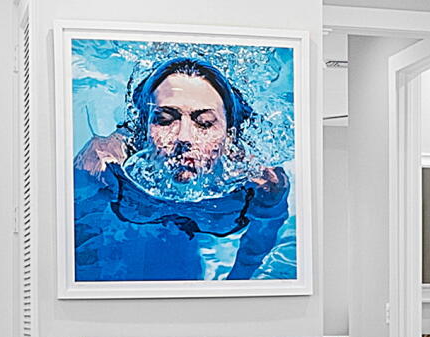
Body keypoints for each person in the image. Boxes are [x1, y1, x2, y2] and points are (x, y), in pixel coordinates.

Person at [73, 54, 292, 282]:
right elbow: (79, 238)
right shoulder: (103, 165)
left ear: (229, 135)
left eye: (204, 123)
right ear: (144, 127)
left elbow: (259, 243)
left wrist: (235, 285)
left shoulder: (261, 184)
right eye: (165, 120)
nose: (183, 137)